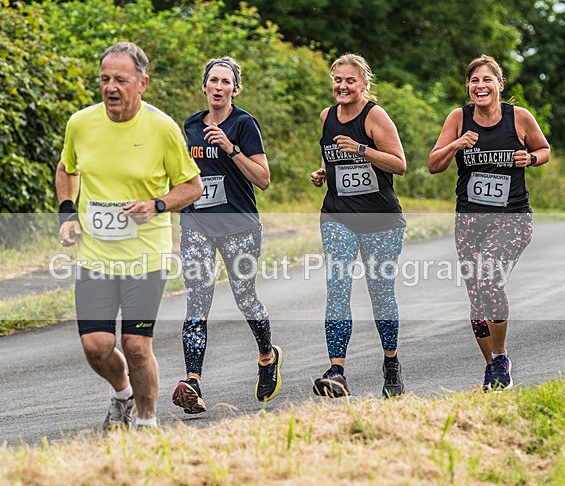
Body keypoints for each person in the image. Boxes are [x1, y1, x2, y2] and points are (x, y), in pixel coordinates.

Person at [55, 42, 202, 430]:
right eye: (105, 79)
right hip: (96, 254)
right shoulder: (81, 124)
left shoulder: (162, 128)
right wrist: (68, 213)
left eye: (120, 80)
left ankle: (147, 426)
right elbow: (67, 168)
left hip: (145, 255)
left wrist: (156, 205)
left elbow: (192, 187)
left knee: (136, 346)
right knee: (96, 346)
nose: (111, 87)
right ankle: (123, 395)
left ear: (142, 83)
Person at [428, 54, 549, 392]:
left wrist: (531, 158)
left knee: (489, 277)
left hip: (512, 218)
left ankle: (500, 357)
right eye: (474, 81)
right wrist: (457, 143)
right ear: (468, 87)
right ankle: (493, 367)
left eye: (487, 80)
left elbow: (544, 150)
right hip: (469, 221)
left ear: (500, 85)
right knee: (477, 300)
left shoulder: (519, 117)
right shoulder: (458, 118)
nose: (480, 86)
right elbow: (434, 165)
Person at [171, 57, 281, 414]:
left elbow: (263, 179)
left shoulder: (244, 124)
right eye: (213, 81)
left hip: (239, 227)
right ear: (204, 86)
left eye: (226, 82)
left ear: (236, 89)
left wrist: (230, 148)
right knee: (196, 302)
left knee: (245, 298)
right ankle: (193, 382)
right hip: (197, 225)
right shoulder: (190, 126)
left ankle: (267, 357)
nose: (218, 87)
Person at [308, 53, 407, 398]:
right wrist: (324, 171)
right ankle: (337, 371)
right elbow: (332, 153)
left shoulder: (374, 116)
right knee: (337, 288)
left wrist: (362, 149)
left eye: (350, 81)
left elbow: (399, 164)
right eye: (338, 80)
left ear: (364, 84)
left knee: (381, 295)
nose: (343, 86)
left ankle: (391, 363)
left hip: (381, 221)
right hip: (337, 216)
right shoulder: (327, 116)